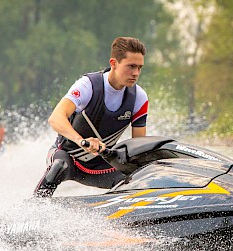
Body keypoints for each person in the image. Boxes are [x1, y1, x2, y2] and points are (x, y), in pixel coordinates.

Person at [33, 36, 149, 197]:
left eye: (140, 68)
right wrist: (82, 141)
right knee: (59, 166)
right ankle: (34, 209)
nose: (136, 73)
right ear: (114, 63)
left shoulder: (139, 97)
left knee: (138, 177)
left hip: (100, 166)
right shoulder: (88, 85)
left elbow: (139, 147)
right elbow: (56, 118)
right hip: (68, 158)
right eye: (131, 66)